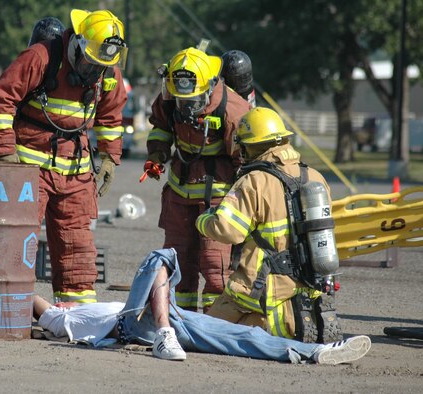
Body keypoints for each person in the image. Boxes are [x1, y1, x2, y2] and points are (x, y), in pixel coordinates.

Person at [0, 9, 129, 303]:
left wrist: (109, 160)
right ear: (77, 43)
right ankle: (7, 304)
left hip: (76, 172)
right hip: (30, 168)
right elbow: (2, 100)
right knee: (19, 237)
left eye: (101, 66)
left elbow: (111, 118)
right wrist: (5, 152)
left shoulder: (108, 71)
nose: (94, 71)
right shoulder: (40, 57)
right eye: (90, 63)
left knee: (76, 243)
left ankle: (77, 311)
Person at [33, 248, 371, 364]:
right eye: (59, 304)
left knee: (241, 336)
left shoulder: (77, 314)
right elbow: (30, 301)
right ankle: (165, 334)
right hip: (132, 322)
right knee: (160, 257)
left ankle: (314, 353)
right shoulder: (60, 321)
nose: (63, 302)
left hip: (157, 316)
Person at [196, 107, 342, 343]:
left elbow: (228, 230)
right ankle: (309, 323)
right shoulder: (315, 176)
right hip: (308, 284)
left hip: (259, 288)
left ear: (252, 146)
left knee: (205, 332)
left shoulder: (254, 181)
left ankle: (277, 333)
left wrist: (203, 221)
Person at [143, 44, 251, 311]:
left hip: (217, 198)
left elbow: (245, 161)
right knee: (178, 260)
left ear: (208, 86)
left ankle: (215, 321)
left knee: (215, 264)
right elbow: (160, 128)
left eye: (191, 101)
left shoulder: (233, 110)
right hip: (180, 193)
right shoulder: (170, 97)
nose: (186, 107)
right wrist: (157, 155)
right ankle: (181, 317)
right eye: (182, 101)